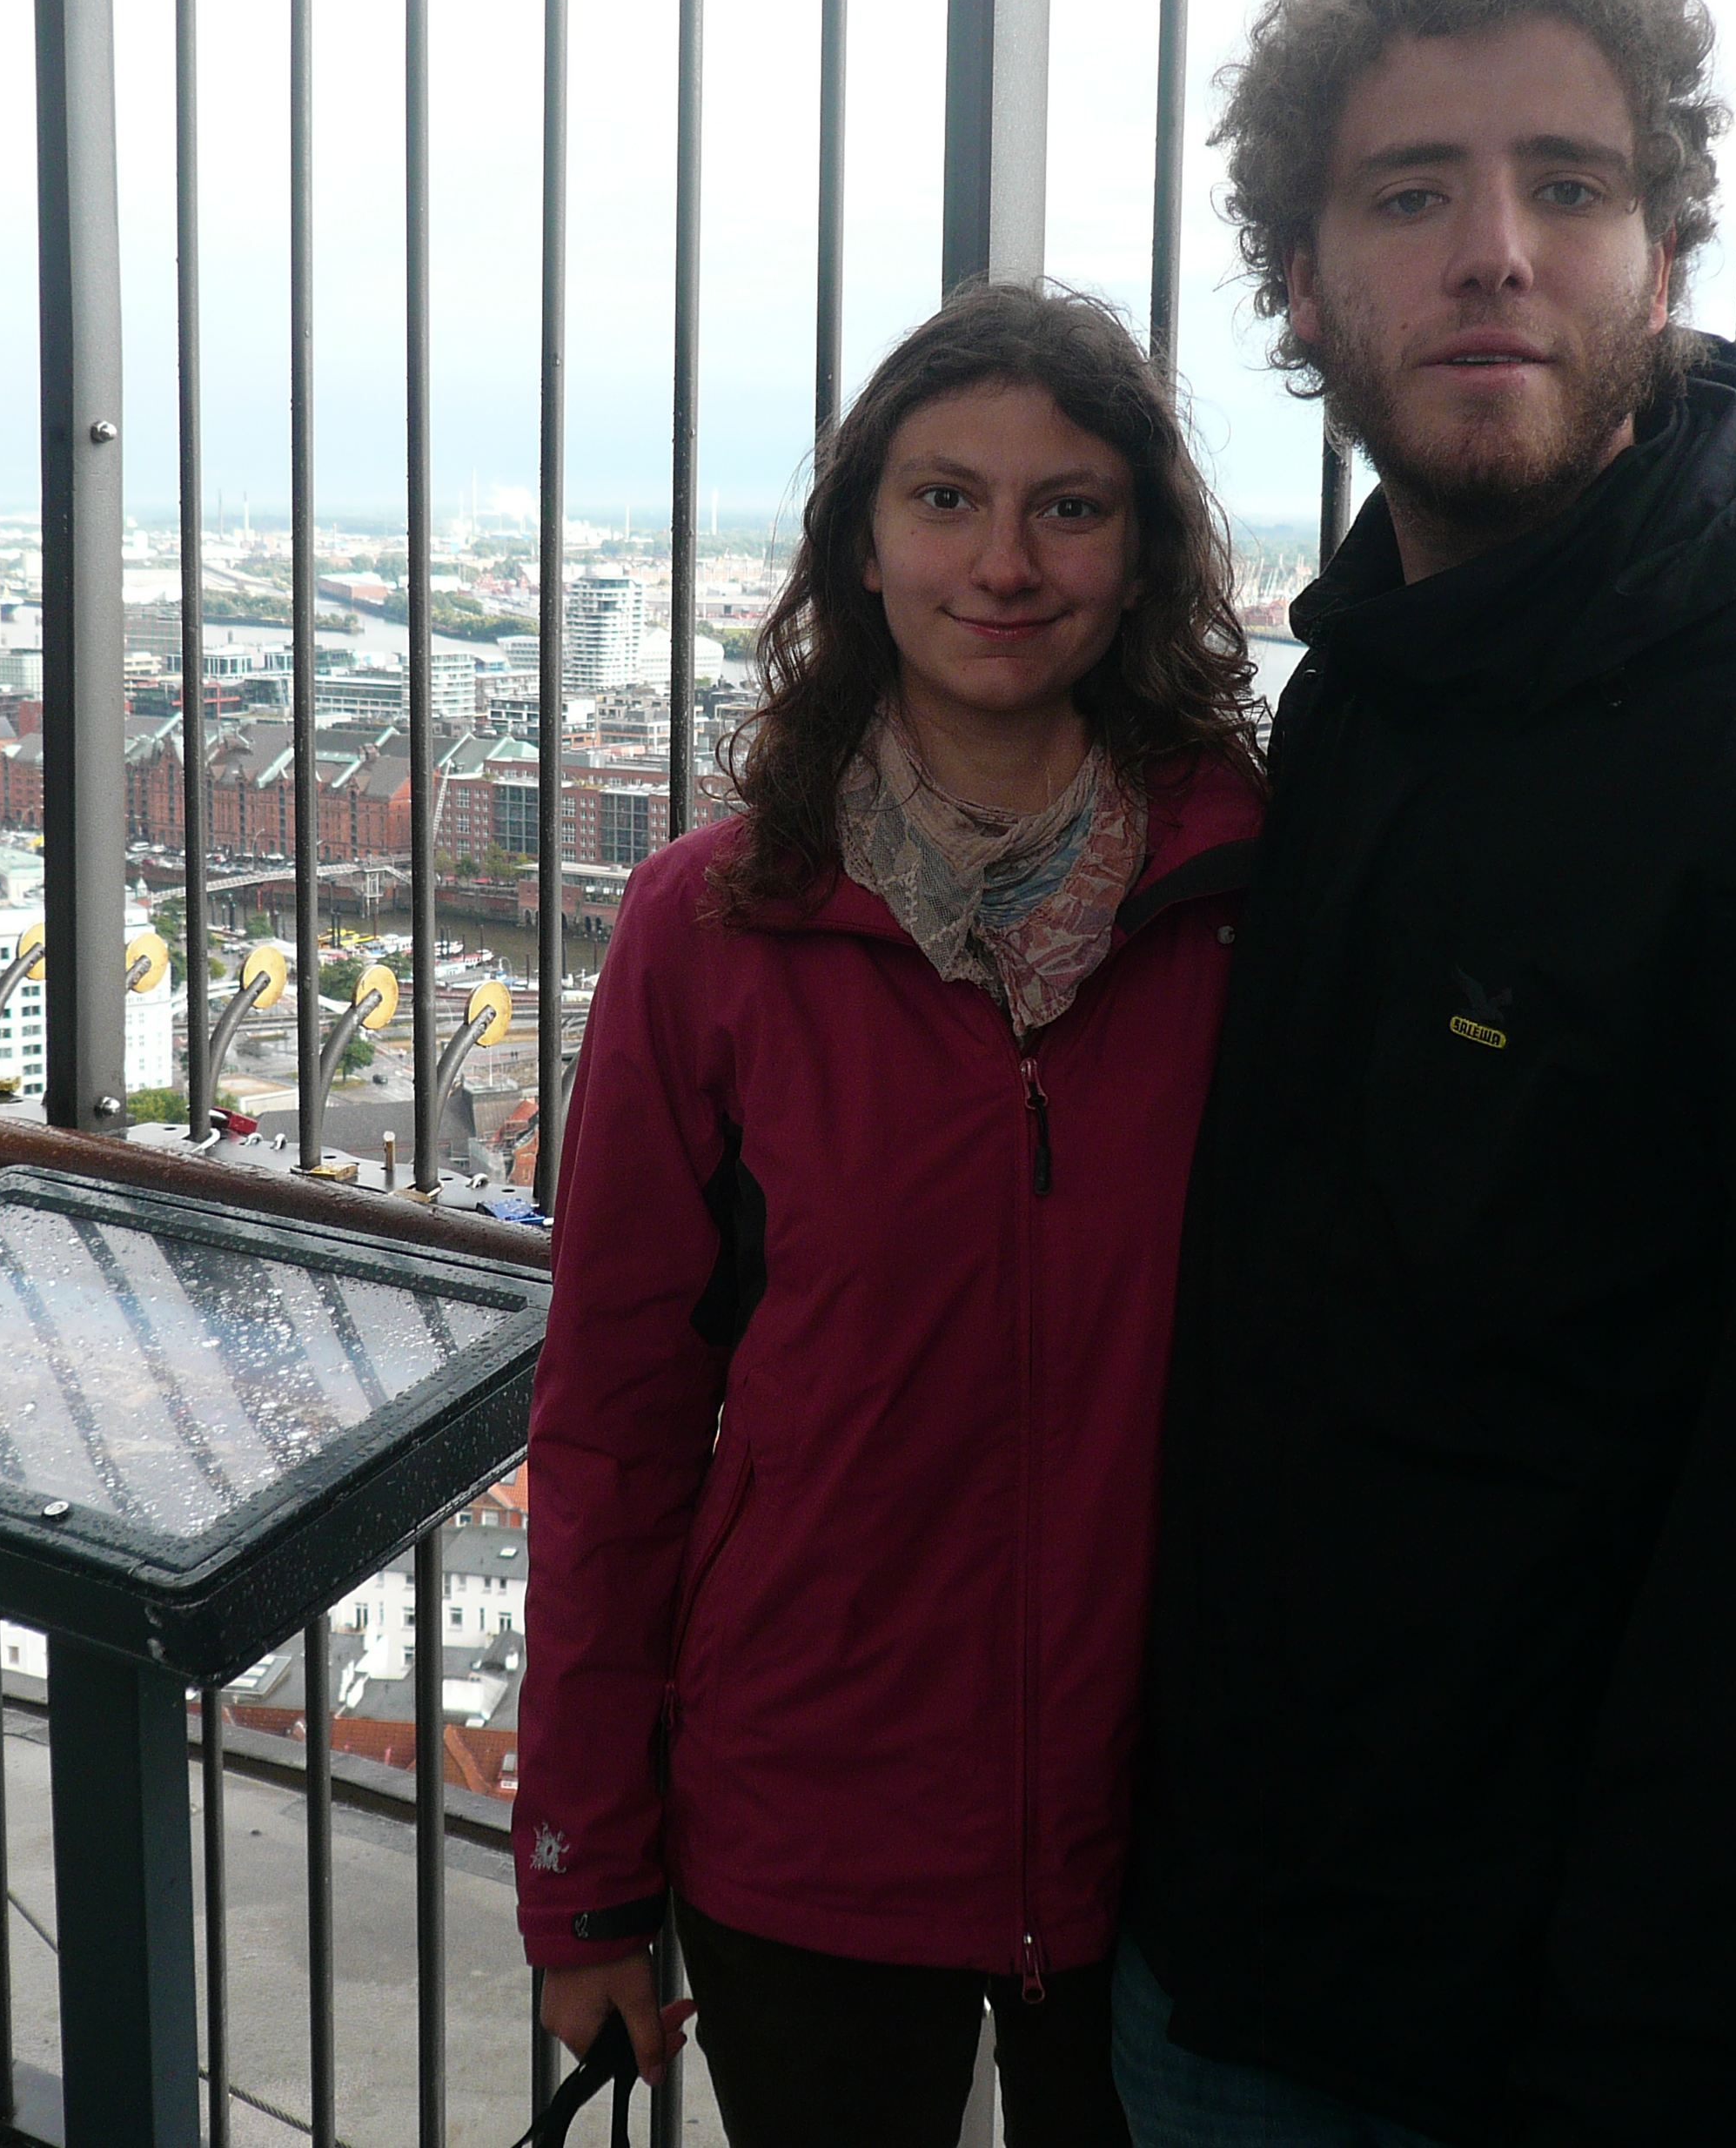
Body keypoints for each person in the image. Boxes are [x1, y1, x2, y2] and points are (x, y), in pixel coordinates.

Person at [1116, 0, 1736, 2148]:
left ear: (1663, 261)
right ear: (1299, 283)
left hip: (1567, 2064)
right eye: (1407, 195)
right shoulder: (1351, 714)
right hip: (1224, 1961)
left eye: (1569, 183)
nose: (1494, 253)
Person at [514, 283, 1267, 2148]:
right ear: (859, 544)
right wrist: (584, 1876)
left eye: (1068, 507)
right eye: (944, 500)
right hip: (811, 1807)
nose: (1003, 563)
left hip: (1180, 1820)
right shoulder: (710, 928)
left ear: (1141, 556)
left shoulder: (1257, 900)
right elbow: (615, 1423)